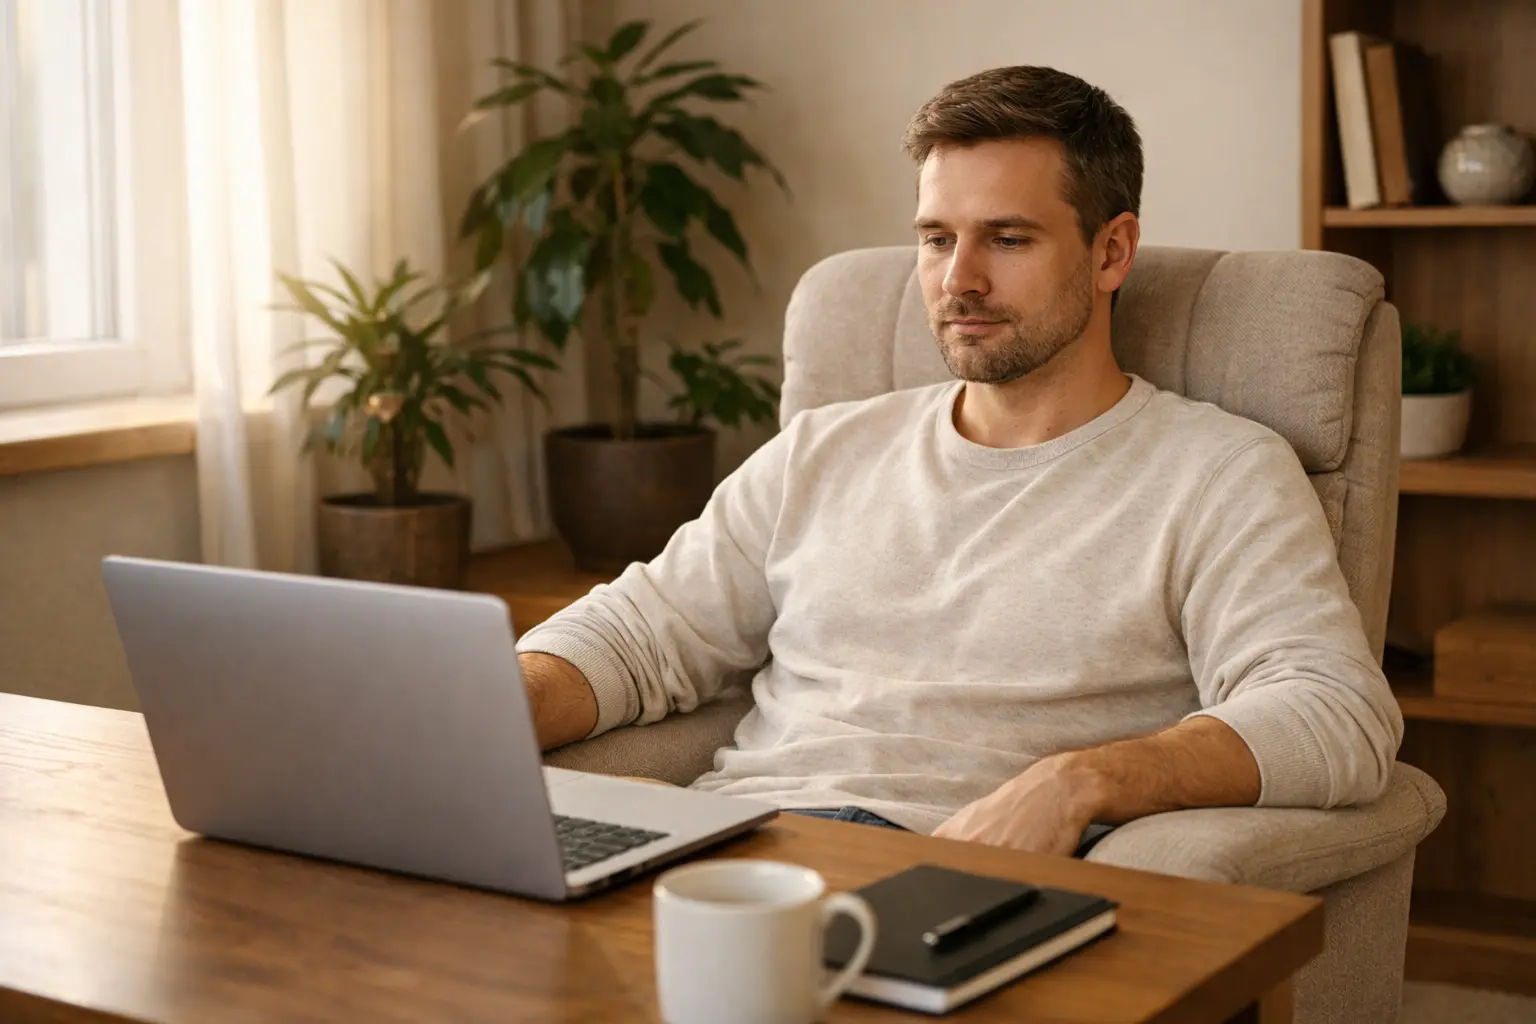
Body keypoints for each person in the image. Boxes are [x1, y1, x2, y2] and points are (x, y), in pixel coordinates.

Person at [516, 65, 1403, 857]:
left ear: (1111, 251)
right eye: (938, 238)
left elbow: (1334, 712)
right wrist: (480, 708)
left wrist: (1079, 781)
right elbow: (637, 639)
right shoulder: (823, 449)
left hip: (943, 875)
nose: (958, 281)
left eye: (1007, 239)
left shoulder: (1217, 472)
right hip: (739, 847)